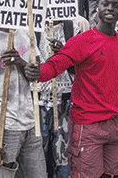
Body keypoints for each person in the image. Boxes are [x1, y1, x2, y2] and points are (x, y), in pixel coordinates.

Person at [26, 0, 118, 178]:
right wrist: (37, 72)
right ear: (97, 9)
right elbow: (55, 65)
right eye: (106, 4)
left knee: (112, 175)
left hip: (115, 125)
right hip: (87, 126)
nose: (110, 8)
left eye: (115, 5)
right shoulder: (82, 41)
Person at [0, 28, 47, 177]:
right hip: (2, 126)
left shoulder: (26, 30)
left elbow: (36, 68)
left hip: (30, 122)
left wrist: (23, 64)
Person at [37, 20, 81, 178]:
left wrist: (65, 54)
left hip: (65, 100)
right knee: (38, 153)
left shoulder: (72, 29)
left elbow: (82, 64)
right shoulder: (33, 27)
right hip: (37, 100)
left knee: (63, 152)